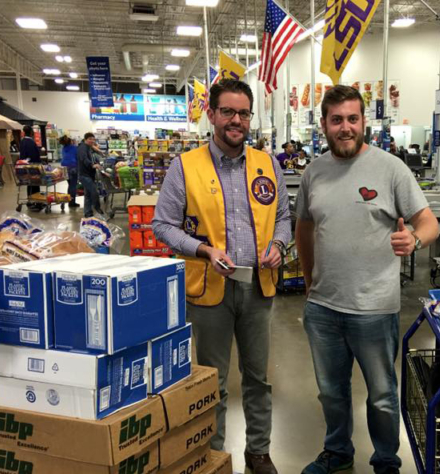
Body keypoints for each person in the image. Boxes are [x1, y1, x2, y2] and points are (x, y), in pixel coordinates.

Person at [295, 85, 439, 474]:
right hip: (323, 308)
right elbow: (304, 228)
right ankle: (338, 451)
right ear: (324, 124)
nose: (345, 127)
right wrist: (309, 281)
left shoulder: (391, 169)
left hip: (374, 308)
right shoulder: (313, 172)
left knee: (382, 395)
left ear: (364, 122)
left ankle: (386, 460)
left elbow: (429, 222)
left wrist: (414, 239)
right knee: (331, 392)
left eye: (352, 119)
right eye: (337, 120)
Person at [152, 79, 289, 474]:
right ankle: (213, 454)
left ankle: (258, 452)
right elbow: (163, 225)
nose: (236, 120)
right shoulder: (185, 166)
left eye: (243, 113)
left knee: (258, 378)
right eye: (228, 111)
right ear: (211, 114)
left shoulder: (267, 164)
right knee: (212, 380)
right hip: (209, 290)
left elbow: (283, 216)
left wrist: (279, 245)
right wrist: (204, 250)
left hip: (258, 288)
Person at [77, 132, 102, 218]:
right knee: (94, 192)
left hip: (89, 174)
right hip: (84, 175)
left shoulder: (88, 147)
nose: (92, 141)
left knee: (88, 194)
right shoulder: (82, 148)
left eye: (93, 139)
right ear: (85, 139)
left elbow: (93, 154)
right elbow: (83, 159)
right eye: (90, 139)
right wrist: (92, 165)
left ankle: (88, 212)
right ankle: (98, 209)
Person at [19, 125, 42, 210]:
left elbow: (22, 155)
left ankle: (30, 200)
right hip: (33, 166)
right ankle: (36, 201)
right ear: (31, 132)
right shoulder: (31, 142)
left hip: (25, 165)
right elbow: (35, 155)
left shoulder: (22, 141)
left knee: (29, 184)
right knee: (36, 184)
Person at [59, 136, 80, 208]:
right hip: (73, 167)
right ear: (71, 141)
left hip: (64, 168)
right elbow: (78, 157)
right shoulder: (75, 148)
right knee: (73, 185)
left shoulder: (64, 148)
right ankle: (72, 203)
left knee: (70, 185)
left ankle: (69, 199)